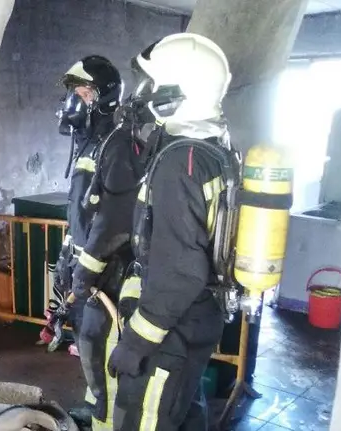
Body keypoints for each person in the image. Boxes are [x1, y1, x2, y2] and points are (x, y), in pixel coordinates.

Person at [107, 33, 235, 431]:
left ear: (180, 92)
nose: (145, 96)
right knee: (183, 411)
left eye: (154, 86)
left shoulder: (181, 162)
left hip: (170, 332)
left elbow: (180, 271)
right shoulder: (213, 150)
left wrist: (136, 343)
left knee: (144, 418)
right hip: (197, 318)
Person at [50, 55, 147, 430]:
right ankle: (96, 405)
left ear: (104, 98)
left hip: (109, 267)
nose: (75, 100)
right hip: (85, 264)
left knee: (97, 339)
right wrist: (66, 255)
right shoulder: (89, 144)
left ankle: (105, 417)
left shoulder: (117, 144)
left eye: (84, 92)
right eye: (73, 93)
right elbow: (80, 211)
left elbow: (114, 220)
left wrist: (87, 269)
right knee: (86, 339)